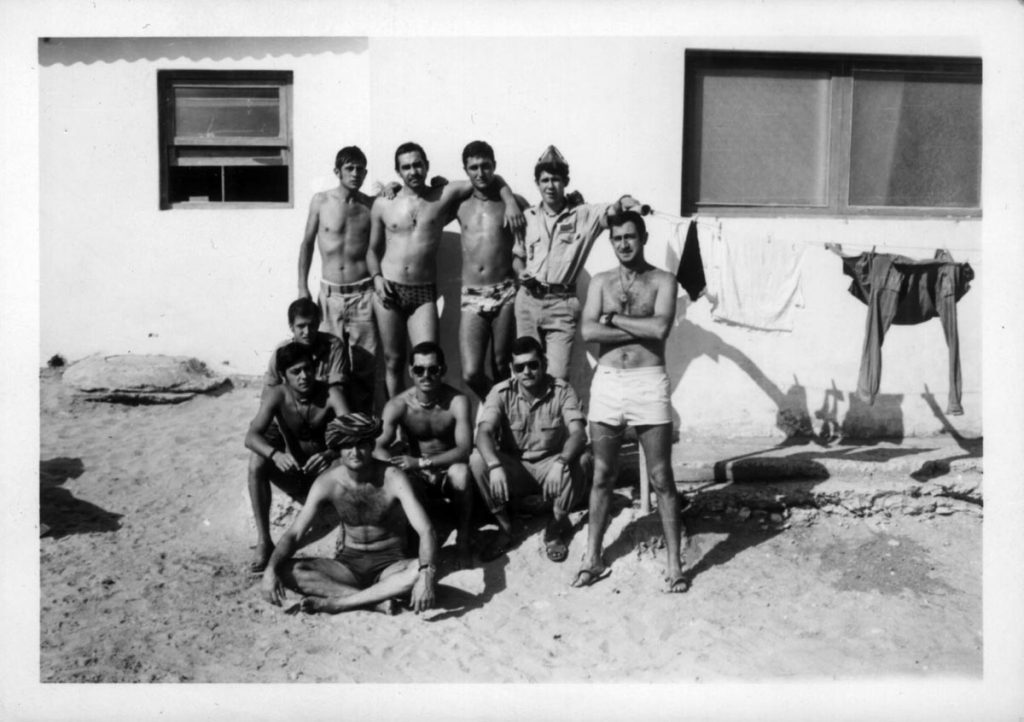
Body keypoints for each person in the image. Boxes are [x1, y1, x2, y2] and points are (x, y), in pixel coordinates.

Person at [574, 210, 687, 592]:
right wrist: (625, 326)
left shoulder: (663, 280)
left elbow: (660, 328)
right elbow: (588, 331)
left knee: (661, 477)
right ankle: (592, 557)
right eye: (617, 238)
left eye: (630, 237)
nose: (624, 244)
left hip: (647, 383)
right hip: (607, 383)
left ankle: (675, 564)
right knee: (602, 475)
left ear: (643, 238)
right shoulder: (602, 282)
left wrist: (615, 320)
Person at [367, 141, 525, 398]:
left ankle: (432, 423)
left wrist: (509, 199)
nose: (413, 171)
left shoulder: (443, 196)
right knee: (393, 361)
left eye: (418, 165)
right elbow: (372, 250)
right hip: (388, 287)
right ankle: (398, 429)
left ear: (427, 165)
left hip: (423, 292)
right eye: (406, 167)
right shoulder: (385, 203)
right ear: (398, 172)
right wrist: (375, 278)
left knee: (429, 362)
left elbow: (487, 179)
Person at [260, 413, 438, 615]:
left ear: (371, 445)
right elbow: (295, 534)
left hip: (391, 565)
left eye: (361, 444)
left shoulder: (393, 477)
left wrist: (426, 576)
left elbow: (426, 530)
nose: (355, 452)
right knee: (285, 570)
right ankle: (373, 601)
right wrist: (270, 570)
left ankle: (341, 603)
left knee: (420, 570)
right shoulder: (327, 482)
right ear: (338, 450)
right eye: (347, 445)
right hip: (347, 566)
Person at [514, 145, 645, 380]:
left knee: (557, 376)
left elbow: (613, 210)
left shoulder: (584, 215)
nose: (550, 186)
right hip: (527, 302)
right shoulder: (528, 217)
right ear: (537, 183)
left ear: (565, 182)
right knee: (525, 373)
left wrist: (625, 200)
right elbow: (518, 257)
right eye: (544, 180)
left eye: (555, 179)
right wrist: (521, 271)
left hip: (561, 305)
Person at [469, 336, 591, 564]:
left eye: (533, 365)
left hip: (551, 468)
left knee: (583, 459)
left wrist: (561, 462)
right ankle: (505, 528)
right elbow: (483, 433)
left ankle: (555, 528)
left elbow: (578, 434)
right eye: (520, 367)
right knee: (478, 460)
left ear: (544, 363)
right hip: (517, 469)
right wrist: (495, 465)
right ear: (511, 369)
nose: (527, 371)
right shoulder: (501, 392)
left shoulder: (562, 390)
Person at [245, 342, 351, 574]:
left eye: (308, 369)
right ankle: (264, 541)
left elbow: (353, 434)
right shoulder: (277, 395)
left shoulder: (332, 394)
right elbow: (251, 436)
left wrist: (330, 453)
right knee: (257, 462)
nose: (304, 377)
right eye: (296, 372)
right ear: (284, 376)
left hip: (326, 474)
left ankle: (348, 538)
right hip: (294, 472)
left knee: (348, 461)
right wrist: (276, 454)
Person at [374, 342, 475, 568]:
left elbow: (464, 449)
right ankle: (415, 540)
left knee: (462, 473)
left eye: (433, 369)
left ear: (443, 370)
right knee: (398, 479)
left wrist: (420, 462)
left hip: (446, 469)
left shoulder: (457, 401)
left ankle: (464, 538)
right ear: (411, 372)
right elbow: (379, 445)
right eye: (419, 370)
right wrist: (392, 468)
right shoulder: (399, 404)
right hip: (416, 475)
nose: (426, 375)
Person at [296, 146, 378, 413]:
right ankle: (331, 424)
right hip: (329, 295)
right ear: (337, 171)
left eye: (360, 169)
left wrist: (390, 188)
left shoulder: (371, 205)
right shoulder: (321, 201)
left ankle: (362, 428)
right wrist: (302, 286)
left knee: (364, 367)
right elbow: (306, 244)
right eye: (349, 168)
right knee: (327, 363)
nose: (356, 174)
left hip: (363, 294)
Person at [453, 140, 528, 399]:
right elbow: (425, 199)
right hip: (472, 294)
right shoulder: (459, 204)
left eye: (486, 166)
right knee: (471, 373)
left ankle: (506, 424)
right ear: (465, 170)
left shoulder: (513, 203)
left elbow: (541, 222)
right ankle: (497, 405)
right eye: (473, 167)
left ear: (494, 166)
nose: (480, 173)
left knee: (501, 365)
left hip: (505, 290)